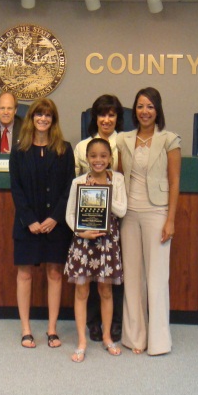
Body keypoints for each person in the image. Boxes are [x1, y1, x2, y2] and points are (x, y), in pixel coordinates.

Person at [117, 87, 181, 356]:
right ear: (135, 110)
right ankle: (135, 339)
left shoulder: (169, 139)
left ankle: (158, 341)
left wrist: (171, 219)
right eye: (141, 106)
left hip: (157, 213)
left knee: (156, 278)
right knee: (132, 277)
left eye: (150, 107)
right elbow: (119, 177)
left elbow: (175, 180)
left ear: (158, 110)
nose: (145, 111)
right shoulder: (123, 139)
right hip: (129, 214)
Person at [9, 98, 75, 349]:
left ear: (53, 120)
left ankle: (51, 329)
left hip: (54, 225)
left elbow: (69, 187)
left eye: (48, 115)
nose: (43, 119)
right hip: (27, 224)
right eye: (39, 114)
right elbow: (16, 188)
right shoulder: (19, 150)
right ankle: (26, 329)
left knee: (55, 273)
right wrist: (30, 220)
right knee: (24, 274)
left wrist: (54, 218)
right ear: (32, 118)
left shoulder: (64, 149)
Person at [65, 137, 127, 362]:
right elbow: (70, 214)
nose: (98, 160)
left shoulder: (117, 179)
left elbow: (121, 211)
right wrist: (80, 233)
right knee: (81, 292)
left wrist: (103, 193)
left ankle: (107, 336)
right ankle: (82, 341)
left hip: (107, 243)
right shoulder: (78, 182)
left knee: (106, 291)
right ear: (87, 158)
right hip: (83, 242)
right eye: (93, 156)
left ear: (110, 158)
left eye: (103, 156)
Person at [74, 94, 125, 343]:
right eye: (102, 114)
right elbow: (77, 188)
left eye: (112, 114)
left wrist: (106, 193)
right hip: (88, 223)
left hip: (115, 223)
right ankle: (92, 324)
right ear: (94, 118)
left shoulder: (125, 143)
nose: (106, 119)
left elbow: (121, 200)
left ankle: (113, 325)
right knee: (89, 276)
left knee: (111, 276)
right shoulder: (81, 147)